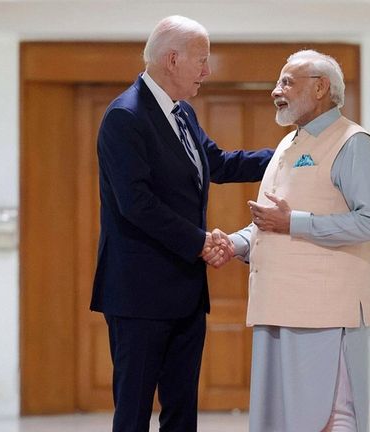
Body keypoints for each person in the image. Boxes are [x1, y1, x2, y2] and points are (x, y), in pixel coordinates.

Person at [90, 15, 273, 432]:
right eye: (202, 61)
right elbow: (136, 203)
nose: (207, 72)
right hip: (138, 296)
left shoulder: (183, 113)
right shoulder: (125, 116)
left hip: (185, 295)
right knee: (133, 414)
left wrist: (283, 155)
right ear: (172, 59)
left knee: (181, 413)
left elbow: (218, 162)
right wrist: (200, 242)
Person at [206, 49, 370, 432]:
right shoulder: (288, 145)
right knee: (283, 419)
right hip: (278, 306)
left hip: (327, 311)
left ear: (321, 87)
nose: (276, 91)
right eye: (278, 82)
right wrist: (236, 242)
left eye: (287, 82)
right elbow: (272, 222)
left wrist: (294, 223)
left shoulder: (353, 142)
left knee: (332, 416)